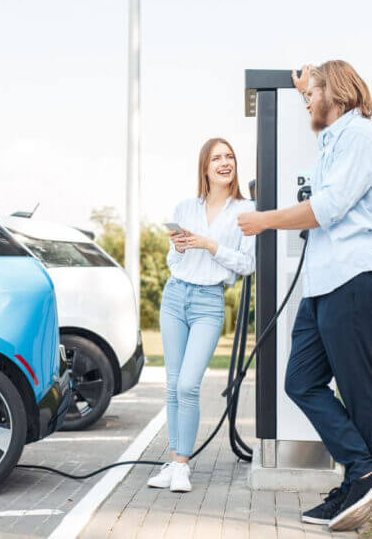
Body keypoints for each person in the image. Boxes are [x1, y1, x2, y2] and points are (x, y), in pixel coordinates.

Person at [239, 60, 372, 532]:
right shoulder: (332, 141)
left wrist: (266, 219)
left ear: (336, 90)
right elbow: (322, 192)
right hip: (320, 284)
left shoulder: (360, 137)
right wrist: (304, 87)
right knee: (300, 381)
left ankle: (361, 483)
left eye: (312, 93)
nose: (307, 100)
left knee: (359, 392)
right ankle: (363, 470)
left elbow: (330, 207)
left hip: (351, 279)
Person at [148, 138, 255, 492]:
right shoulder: (185, 207)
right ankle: (176, 459)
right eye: (217, 158)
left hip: (210, 300)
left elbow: (246, 264)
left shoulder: (246, 210)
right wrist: (178, 247)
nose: (225, 163)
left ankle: (181, 466)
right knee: (173, 386)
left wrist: (210, 244)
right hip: (176, 296)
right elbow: (173, 262)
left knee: (189, 385)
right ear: (205, 167)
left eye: (229, 157)